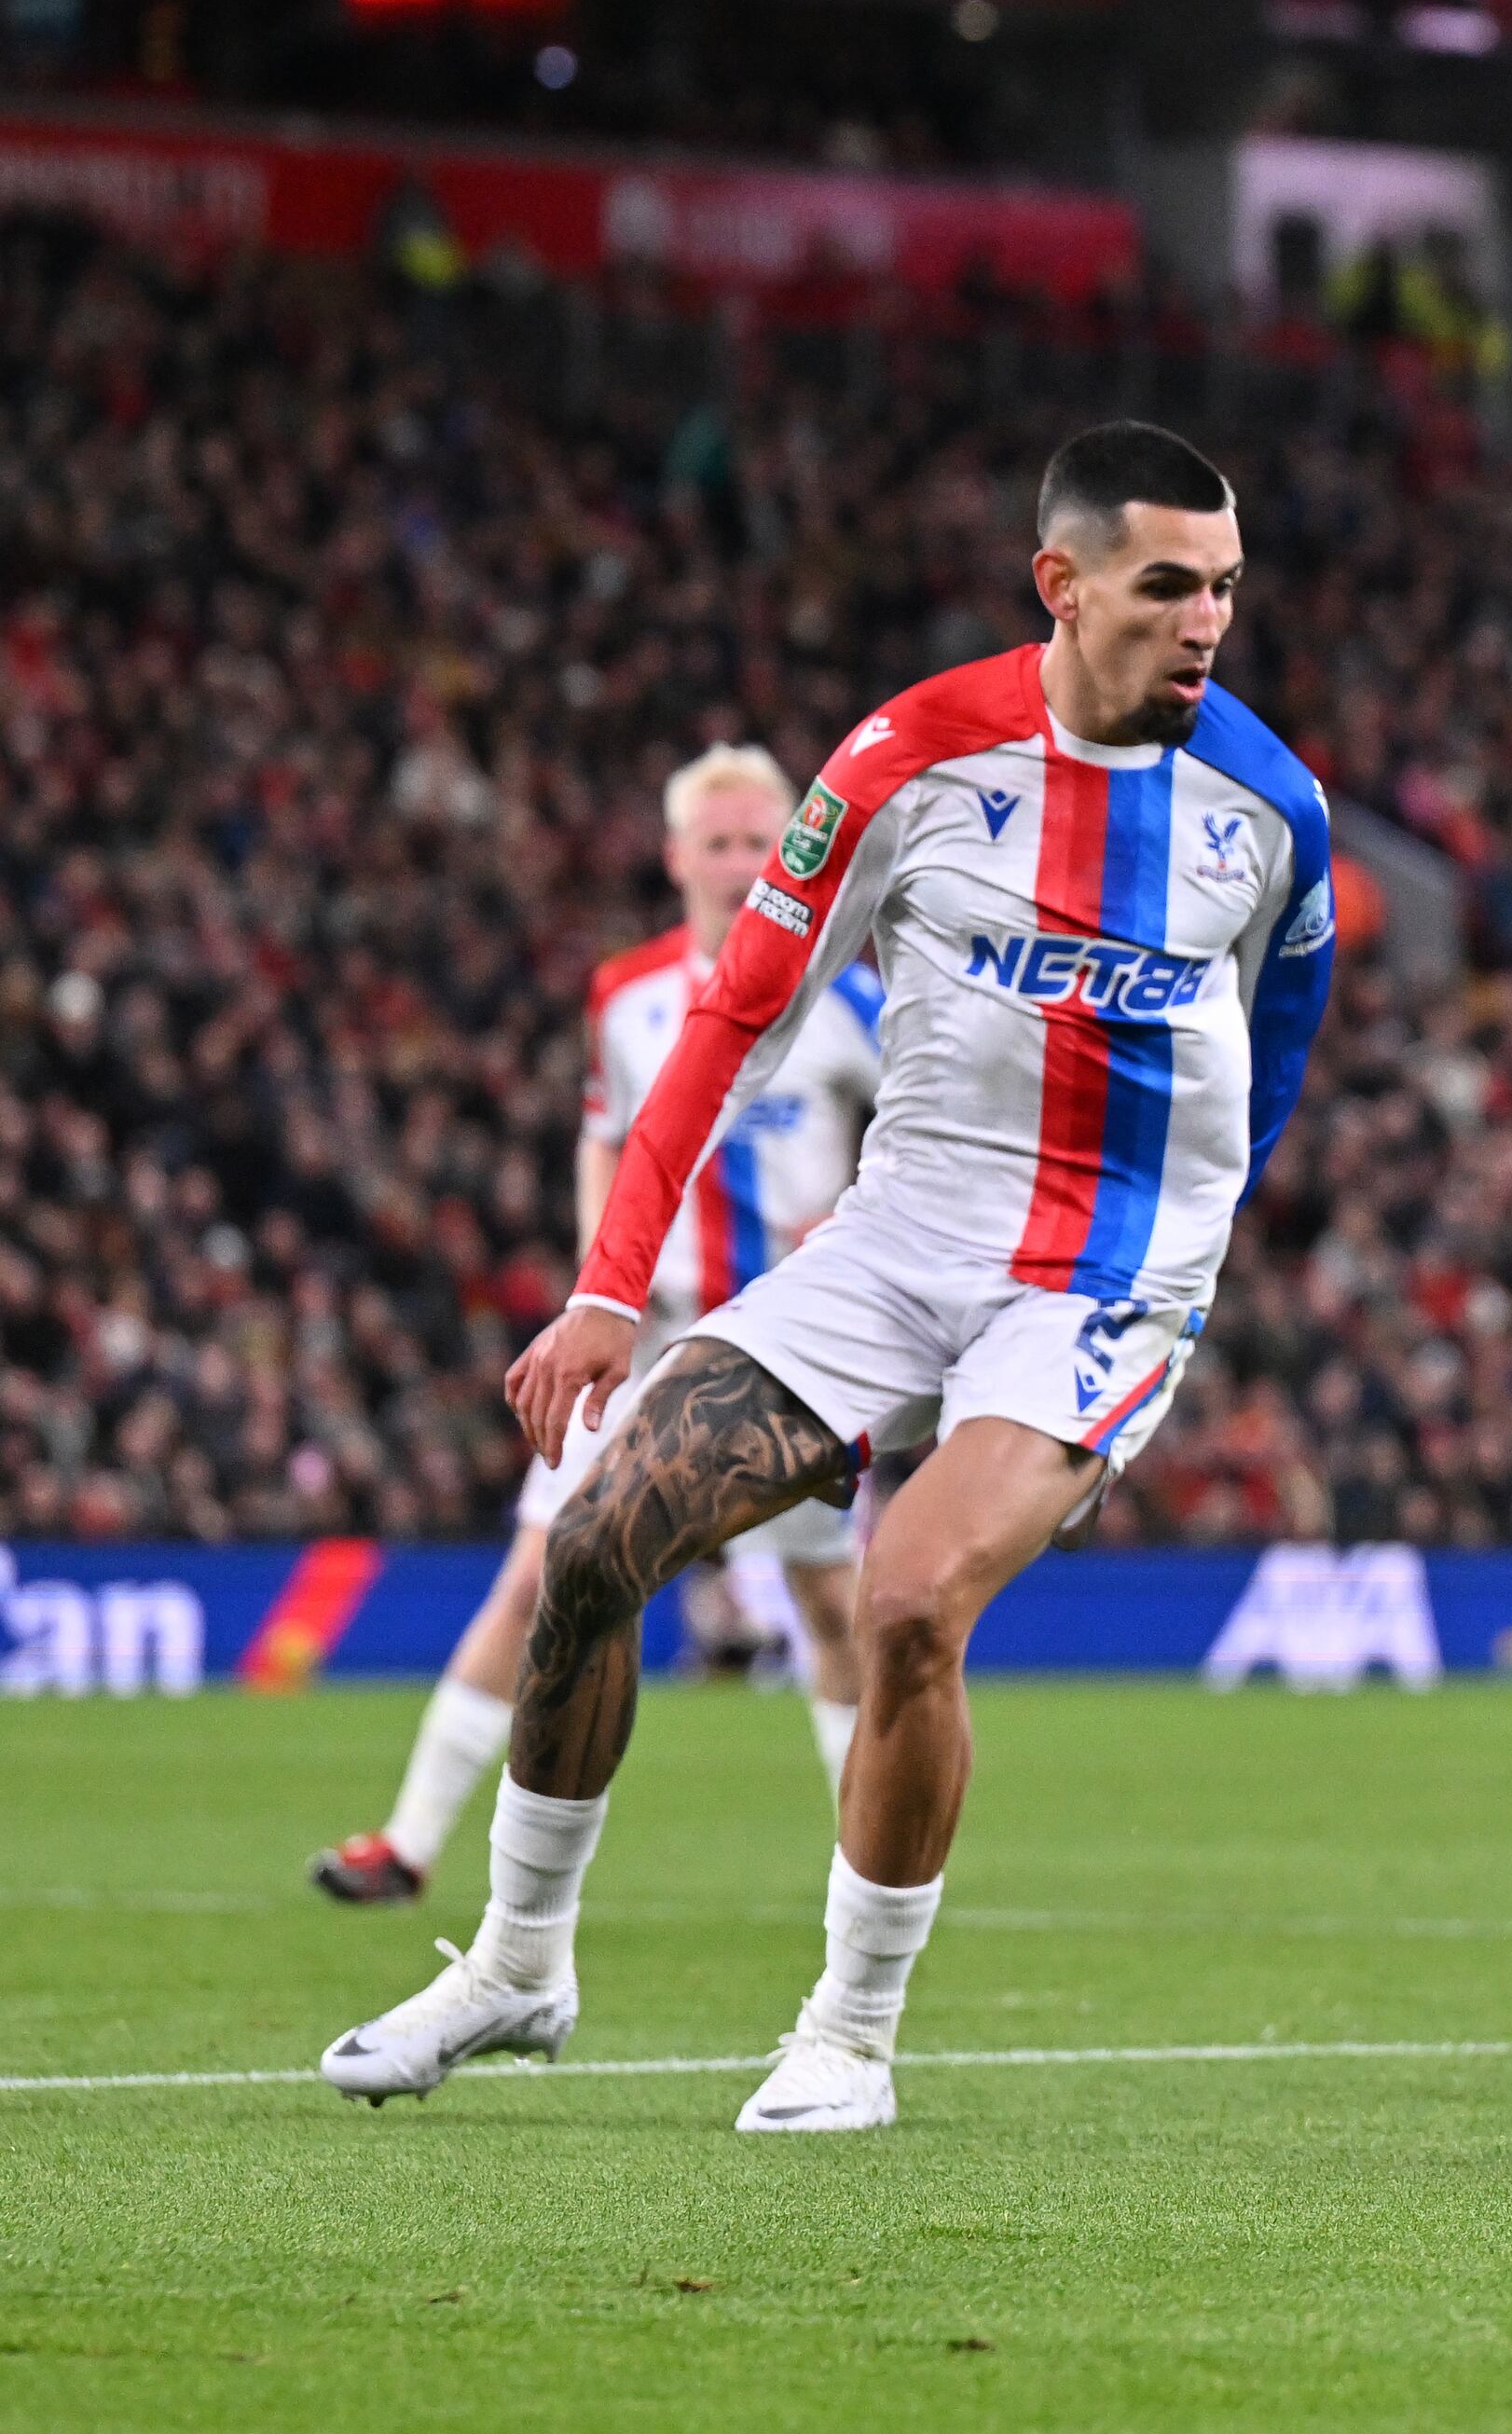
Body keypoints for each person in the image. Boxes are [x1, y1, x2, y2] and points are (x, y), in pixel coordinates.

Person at [320, 420, 1336, 2131]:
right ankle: (514, 1965)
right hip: (896, 1243)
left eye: (1227, 587)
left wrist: (1190, 1241)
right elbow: (733, 1022)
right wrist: (603, 1288)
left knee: (910, 1601)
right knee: (594, 1540)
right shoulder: (904, 761)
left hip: (1096, 1280)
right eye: (1170, 586)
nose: (1208, 621)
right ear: (1062, 585)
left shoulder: (1269, 808)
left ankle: (850, 2033)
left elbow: (1281, 1042)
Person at [310, 748, 883, 1906]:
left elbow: (911, 1137)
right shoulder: (629, 996)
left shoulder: (859, 997)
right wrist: (599, 1285)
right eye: (716, 844)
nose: (738, 865)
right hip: (644, 1340)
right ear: (675, 857)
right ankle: (410, 1842)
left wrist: (852, 1228)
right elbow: (603, 1136)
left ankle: (868, 1855)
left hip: (790, 1348)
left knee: (835, 1607)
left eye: (759, 841)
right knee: (536, 1575)